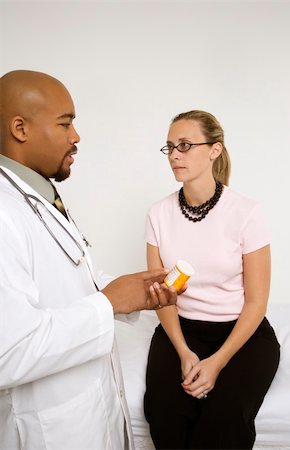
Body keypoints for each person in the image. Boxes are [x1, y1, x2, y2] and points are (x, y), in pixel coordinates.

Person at [0, 69, 177, 450]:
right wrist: (108, 302)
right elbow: (7, 352)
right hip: (47, 429)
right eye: (65, 124)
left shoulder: (37, 195)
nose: (76, 137)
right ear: (20, 128)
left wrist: (134, 294)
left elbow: (71, 275)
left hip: (85, 413)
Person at [143, 110, 280, 450]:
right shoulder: (158, 214)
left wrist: (216, 363)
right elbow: (162, 296)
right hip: (181, 331)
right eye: (170, 146)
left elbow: (256, 302)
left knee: (222, 422)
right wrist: (184, 352)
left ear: (214, 150)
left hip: (240, 334)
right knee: (164, 416)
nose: (174, 154)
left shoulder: (246, 212)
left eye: (186, 145)